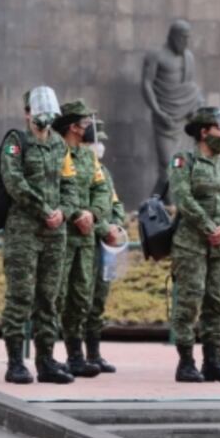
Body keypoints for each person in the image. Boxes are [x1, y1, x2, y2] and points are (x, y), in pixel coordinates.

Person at [0, 86, 76, 385]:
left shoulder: (59, 145)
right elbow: (14, 182)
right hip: (24, 231)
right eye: (37, 111)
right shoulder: (16, 142)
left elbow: (70, 185)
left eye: (47, 110)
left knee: (49, 298)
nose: (43, 116)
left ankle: (46, 360)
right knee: (20, 296)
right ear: (27, 113)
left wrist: (64, 212)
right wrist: (44, 209)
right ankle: (15, 362)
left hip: (55, 233)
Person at [169, 106, 220, 383]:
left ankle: (213, 360)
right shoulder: (184, 160)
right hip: (191, 243)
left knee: (217, 301)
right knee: (189, 302)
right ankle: (186, 362)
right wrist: (207, 226)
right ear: (204, 132)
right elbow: (182, 197)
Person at [52, 99, 110, 378]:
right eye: (85, 122)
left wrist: (92, 213)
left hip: (85, 239)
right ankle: (46, 356)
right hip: (61, 236)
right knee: (55, 295)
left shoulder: (88, 158)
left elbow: (102, 190)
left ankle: (75, 356)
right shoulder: (54, 153)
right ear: (72, 127)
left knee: (80, 297)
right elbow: (52, 191)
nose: (89, 128)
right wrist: (76, 214)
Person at [141, 19, 204, 199]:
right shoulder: (156, 55)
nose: (186, 42)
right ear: (173, 36)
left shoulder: (188, 57)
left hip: (183, 118)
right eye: (183, 37)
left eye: (188, 38)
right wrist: (158, 112)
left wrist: (195, 106)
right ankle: (161, 205)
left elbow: (189, 87)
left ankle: (155, 204)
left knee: (176, 167)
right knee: (167, 164)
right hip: (164, 117)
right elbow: (146, 84)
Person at [84, 120, 126, 373]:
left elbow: (115, 204)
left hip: (105, 245)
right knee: (81, 300)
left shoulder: (103, 172)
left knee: (98, 300)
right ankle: (76, 354)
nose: (100, 147)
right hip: (86, 243)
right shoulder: (78, 169)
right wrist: (103, 229)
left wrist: (116, 226)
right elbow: (81, 207)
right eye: (95, 142)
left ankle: (94, 353)